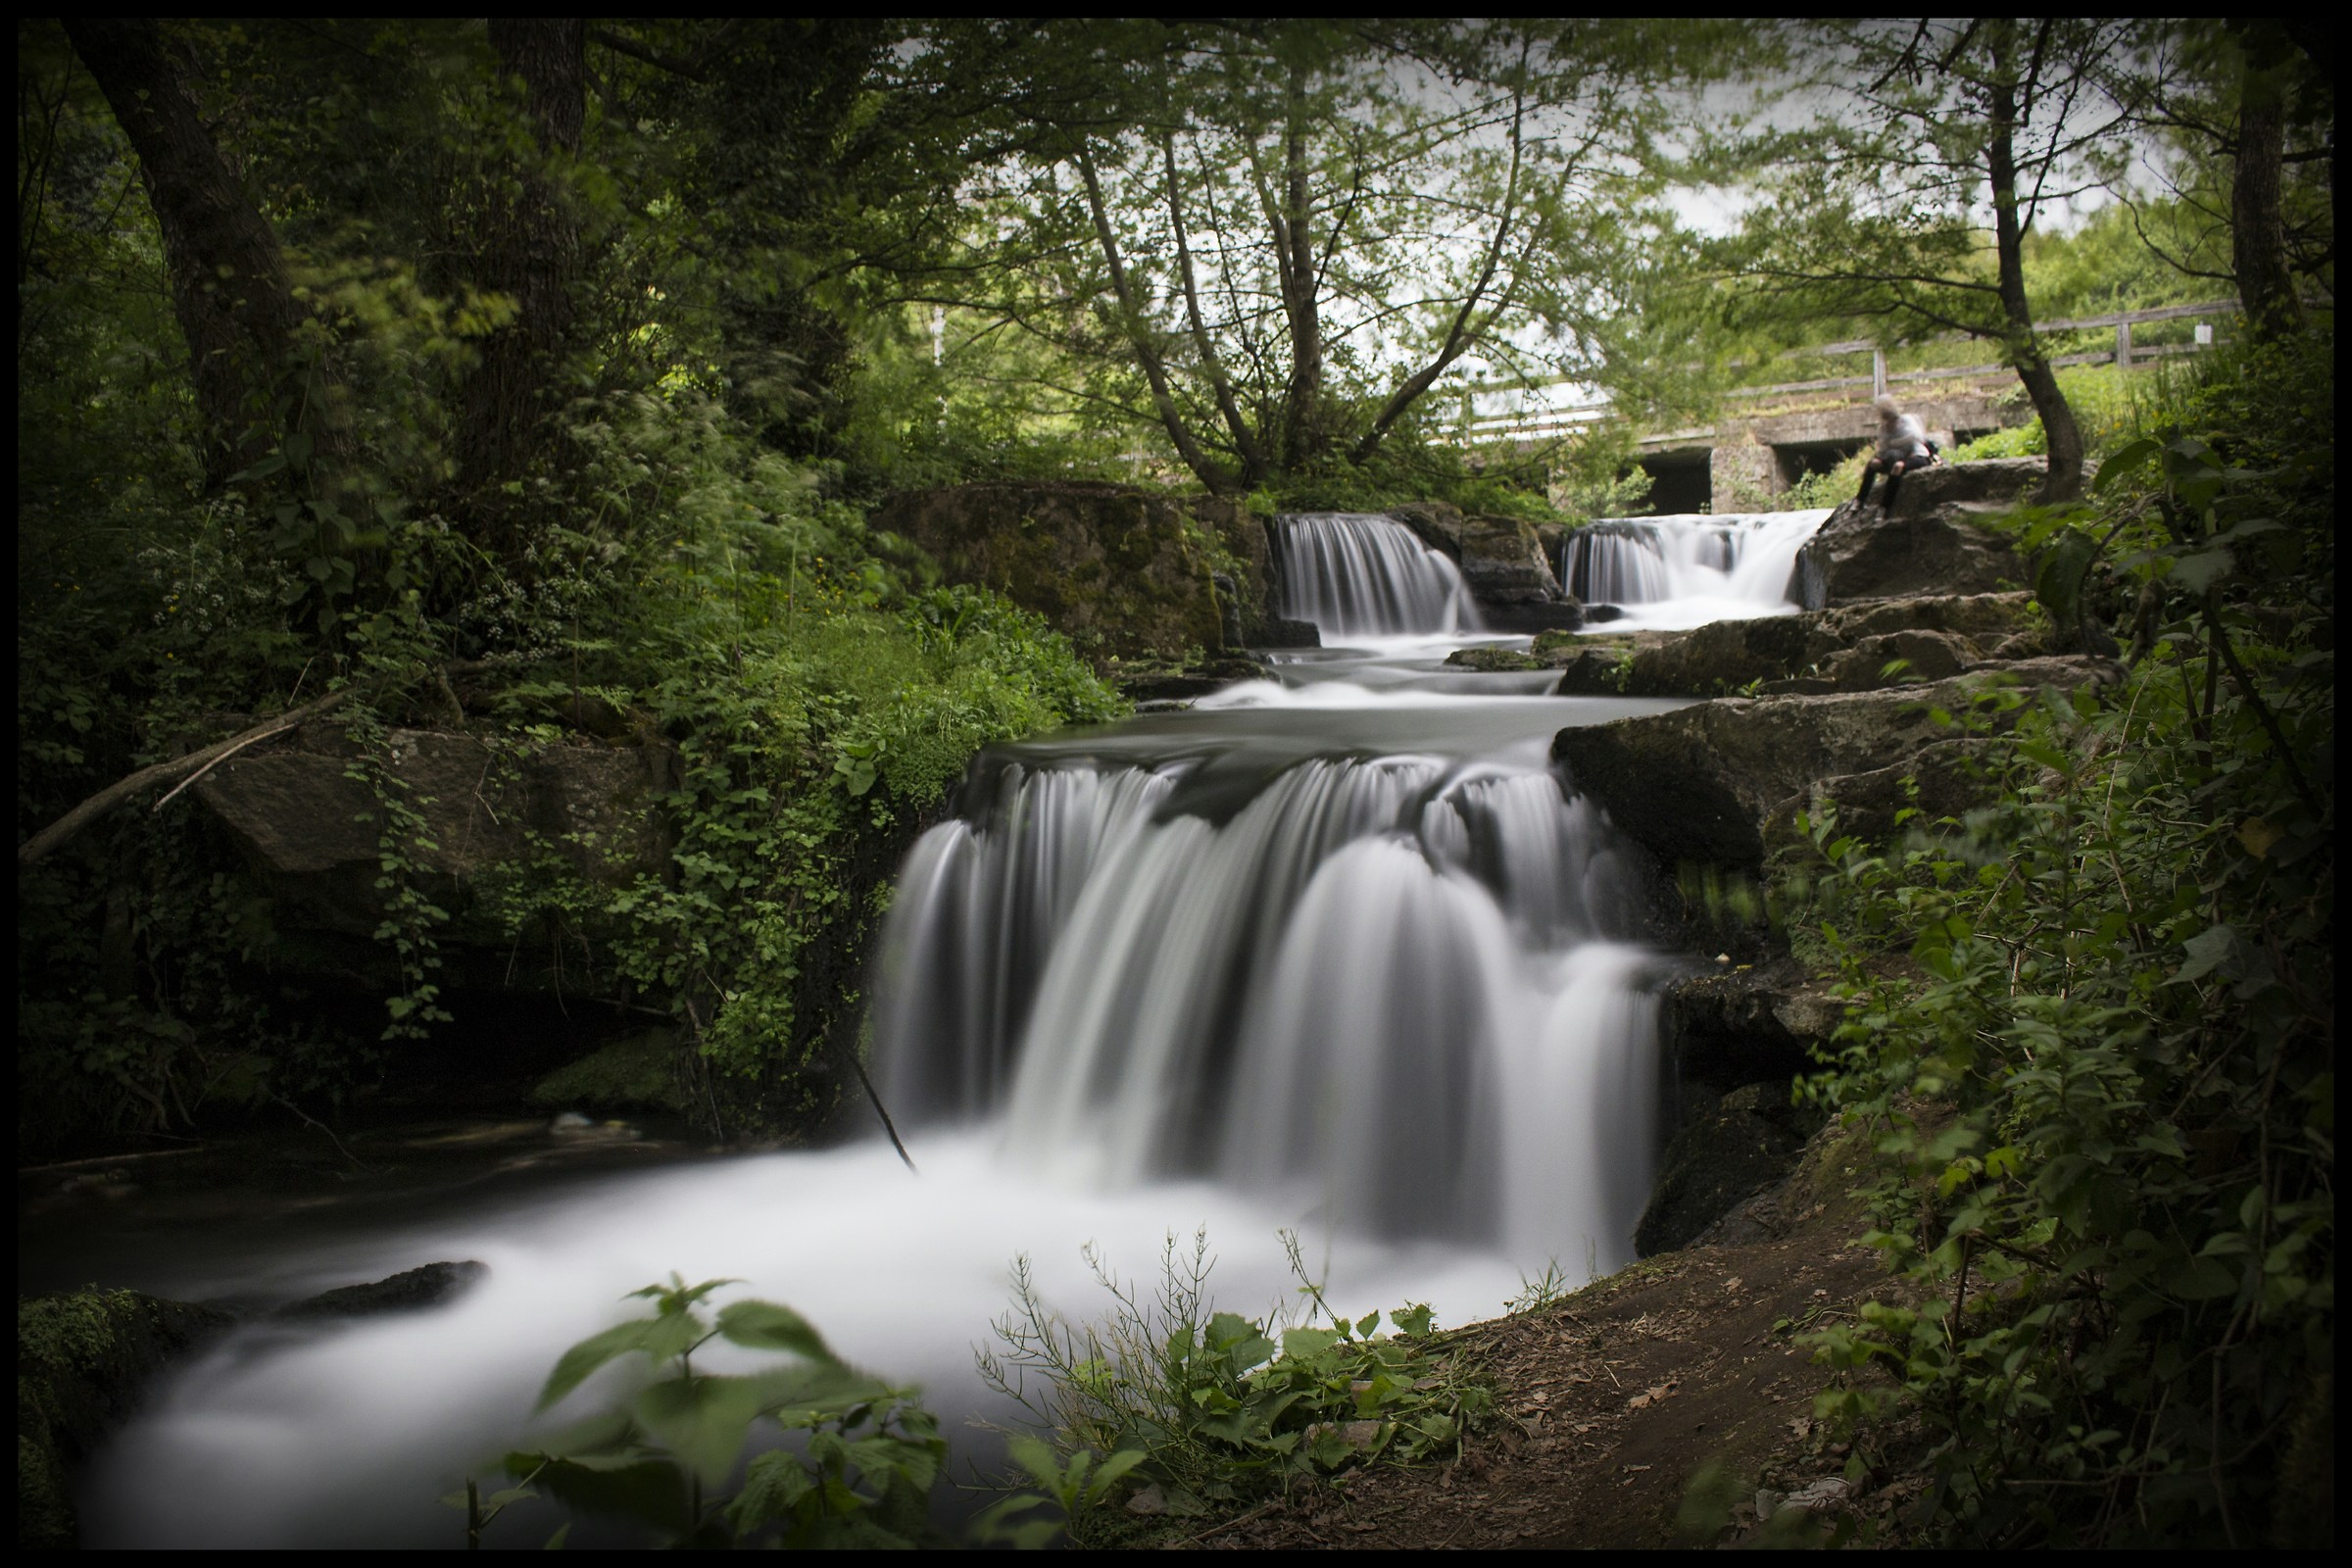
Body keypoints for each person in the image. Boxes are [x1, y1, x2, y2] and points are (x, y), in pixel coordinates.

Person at [1855, 394, 1940, 512]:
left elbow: (1916, 437)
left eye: (1892, 420)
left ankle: (1885, 507)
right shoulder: (1883, 429)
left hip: (1915, 455)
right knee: (1873, 464)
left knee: (1898, 467)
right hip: (1892, 457)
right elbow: (1883, 448)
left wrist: (1894, 443)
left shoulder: (1906, 421)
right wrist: (1881, 457)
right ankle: (1860, 499)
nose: (1890, 424)